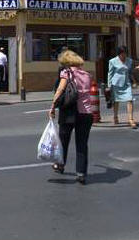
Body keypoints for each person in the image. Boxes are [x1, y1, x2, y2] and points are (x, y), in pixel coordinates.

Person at [48, 50, 93, 185]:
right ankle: (81, 173)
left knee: (63, 140)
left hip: (69, 112)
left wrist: (52, 106)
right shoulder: (87, 75)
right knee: (82, 144)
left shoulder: (66, 73)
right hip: (86, 114)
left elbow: (60, 90)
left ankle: (60, 164)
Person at [108, 46, 138, 129]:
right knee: (116, 101)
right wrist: (109, 85)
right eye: (122, 54)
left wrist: (134, 82)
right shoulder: (112, 61)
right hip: (116, 84)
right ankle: (115, 117)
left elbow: (130, 72)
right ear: (119, 54)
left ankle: (131, 119)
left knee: (130, 99)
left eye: (125, 53)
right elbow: (110, 73)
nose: (124, 55)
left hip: (126, 83)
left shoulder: (129, 60)